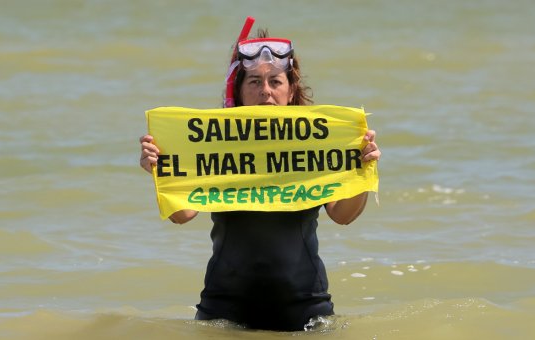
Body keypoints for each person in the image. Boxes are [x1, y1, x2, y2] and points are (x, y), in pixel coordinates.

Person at [139, 22, 381, 331]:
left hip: (305, 310)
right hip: (224, 310)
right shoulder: (213, 144)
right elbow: (182, 215)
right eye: (253, 81)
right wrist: (160, 170)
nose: (265, 91)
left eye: (275, 81)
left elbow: (343, 215)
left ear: (291, 89)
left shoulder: (316, 142)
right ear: (238, 91)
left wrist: (362, 170)